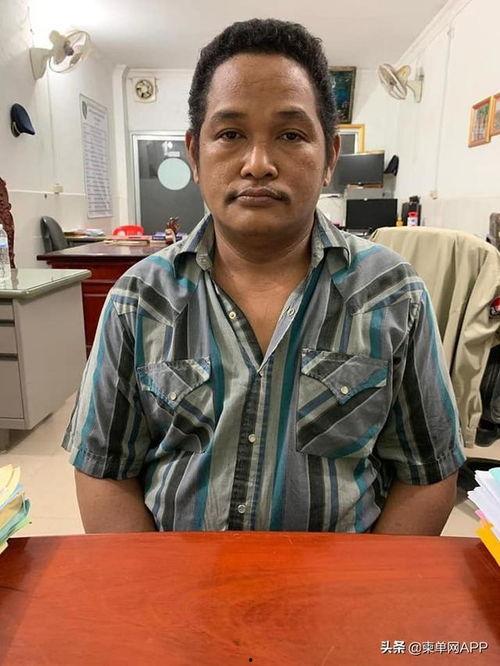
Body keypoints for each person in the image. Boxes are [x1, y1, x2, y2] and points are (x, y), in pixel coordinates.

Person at [64, 18, 465, 534]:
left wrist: (365, 585)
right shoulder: (139, 299)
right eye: (230, 134)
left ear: (330, 157)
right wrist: (156, 585)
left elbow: (427, 472)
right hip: (179, 578)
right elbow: (104, 471)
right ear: (195, 154)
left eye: (291, 135)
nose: (258, 164)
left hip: (339, 580)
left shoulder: (392, 294)